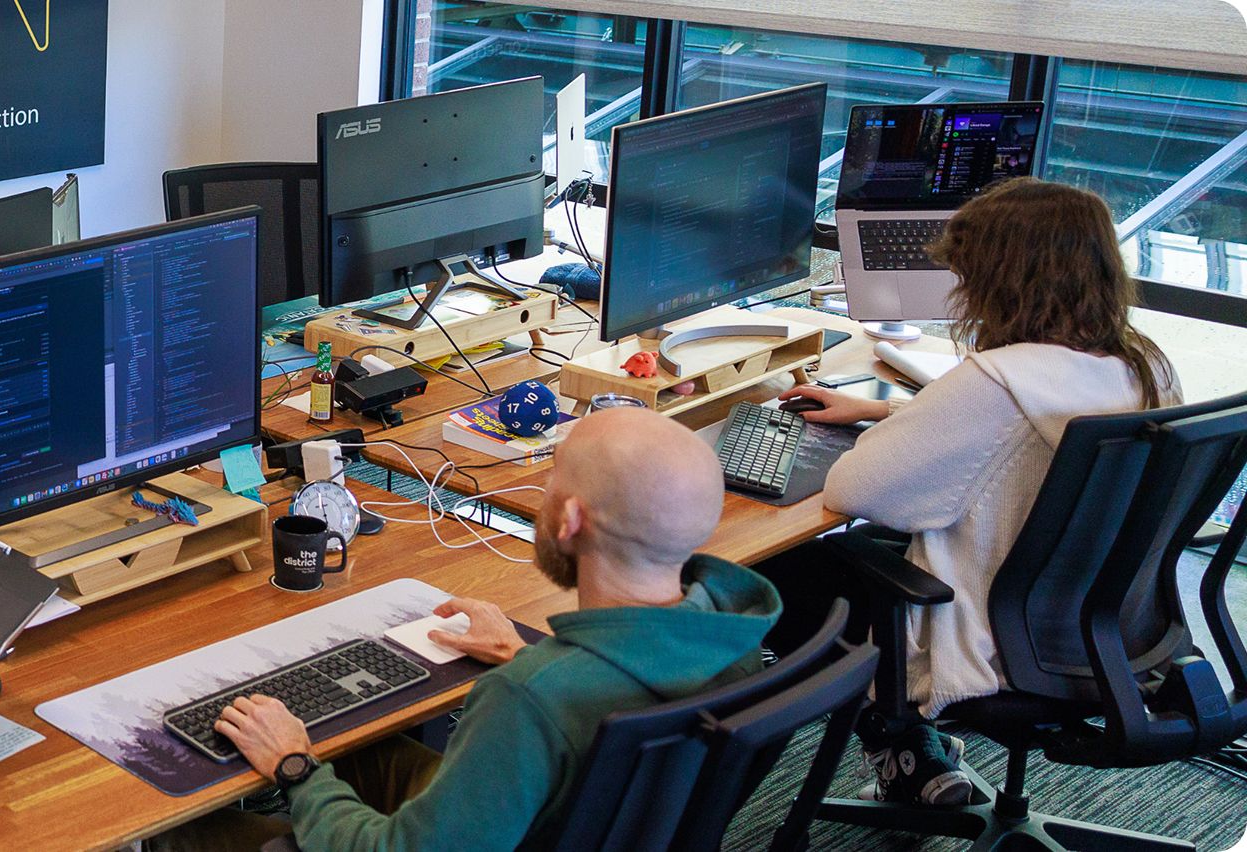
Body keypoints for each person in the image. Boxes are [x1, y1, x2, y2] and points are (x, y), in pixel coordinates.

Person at [153, 408, 782, 851]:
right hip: (585, 821)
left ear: (568, 522)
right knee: (365, 751)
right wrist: (520, 655)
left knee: (178, 829)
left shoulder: (531, 700)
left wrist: (293, 766)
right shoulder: (732, 630)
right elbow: (589, 701)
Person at [765, 177, 1179, 806]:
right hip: (1104, 624)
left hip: (995, 640)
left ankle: (887, 730)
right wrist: (884, 414)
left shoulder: (997, 382)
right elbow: (1013, 450)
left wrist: (902, 426)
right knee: (884, 543)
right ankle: (906, 751)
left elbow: (856, 489)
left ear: (1003, 281)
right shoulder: (1145, 365)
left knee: (783, 569)